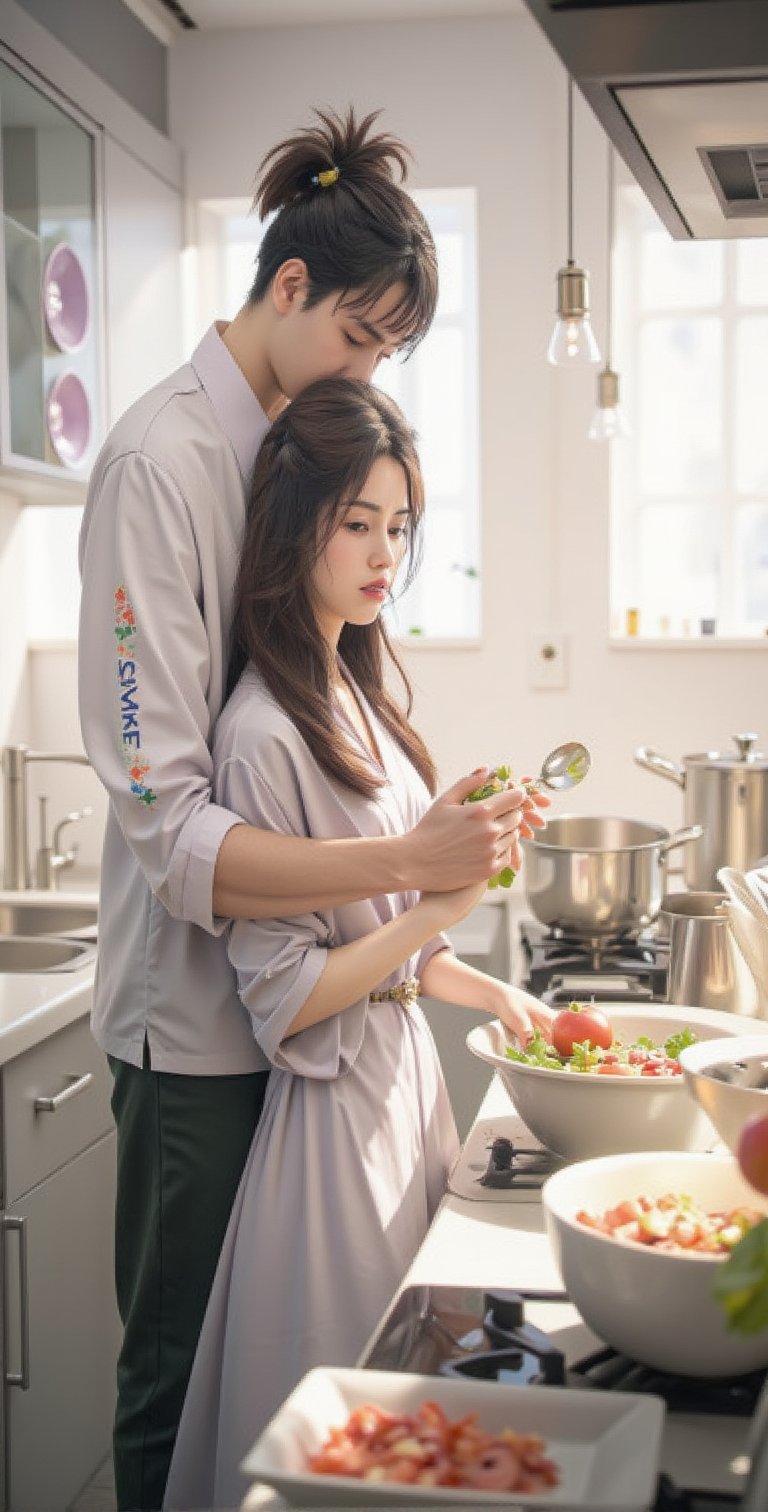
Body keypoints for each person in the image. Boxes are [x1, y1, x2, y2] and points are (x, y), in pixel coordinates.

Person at [78, 106, 545, 1512]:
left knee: (288, 1409)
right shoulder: (162, 464)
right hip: (198, 1027)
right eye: (359, 337)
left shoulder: (287, 450)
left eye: (388, 355)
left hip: (302, 1021)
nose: (364, 370)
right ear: (287, 288)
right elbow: (169, 826)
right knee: (181, 1385)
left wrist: (414, 852)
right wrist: (411, 863)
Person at [162, 376, 557, 1510]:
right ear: (298, 528)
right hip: (330, 1129)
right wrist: (437, 898)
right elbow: (286, 1000)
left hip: (400, 1092)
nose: (386, 553)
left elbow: (385, 937)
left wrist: (485, 988)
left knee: (413, 1431)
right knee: (353, 1445)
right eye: (357, 523)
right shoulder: (260, 732)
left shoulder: (357, 688)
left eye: (399, 527)